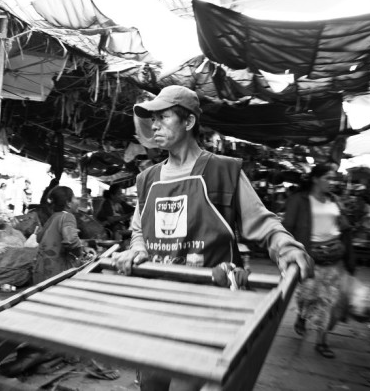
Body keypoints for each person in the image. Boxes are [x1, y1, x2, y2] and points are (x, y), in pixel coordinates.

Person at [112, 85, 314, 391]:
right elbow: (139, 229)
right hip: (157, 302)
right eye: (152, 119)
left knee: (185, 385)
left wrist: (285, 247)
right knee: (150, 384)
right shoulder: (147, 178)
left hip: (208, 305)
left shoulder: (223, 171)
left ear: (189, 122)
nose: (154, 126)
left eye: (163, 117)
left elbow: (262, 221)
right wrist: (137, 249)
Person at [283, 163, 355, 359]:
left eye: (333, 179)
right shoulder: (299, 200)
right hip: (310, 256)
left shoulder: (335, 200)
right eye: (327, 178)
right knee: (307, 296)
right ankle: (301, 317)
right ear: (315, 179)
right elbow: (286, 227)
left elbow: (345, 228)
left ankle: (321, 342)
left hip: (334, 257)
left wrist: (349, 257)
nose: (331, 182)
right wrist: (288, 253)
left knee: (328, 301)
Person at [32, 186, 90, 284]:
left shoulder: (53, 217)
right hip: (56, 275)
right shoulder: (67, 216)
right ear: (68, 203)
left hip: (39, 272)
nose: (77, 201)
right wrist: (82, 253)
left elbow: (39, 238)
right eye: (74, 198)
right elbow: (70, 240)